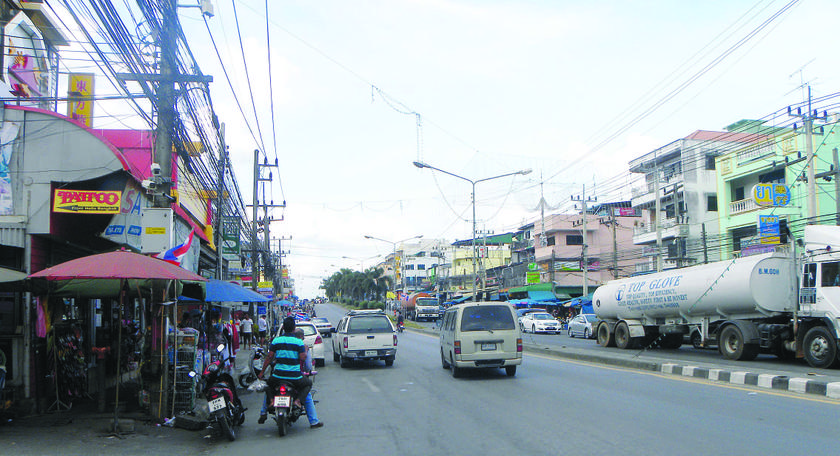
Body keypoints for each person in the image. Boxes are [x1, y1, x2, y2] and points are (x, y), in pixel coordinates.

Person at [258, 317, 323, 429]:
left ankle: (271, 401)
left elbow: (269, 357)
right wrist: (305, 351)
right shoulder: (298, 342)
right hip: (295, 377)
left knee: (268, 385)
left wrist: (261, 372)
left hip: (278, 376)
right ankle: (298, 402)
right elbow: (302, 358)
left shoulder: (276, 340)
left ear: (283, 328)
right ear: (294, 328)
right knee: (308, 384)